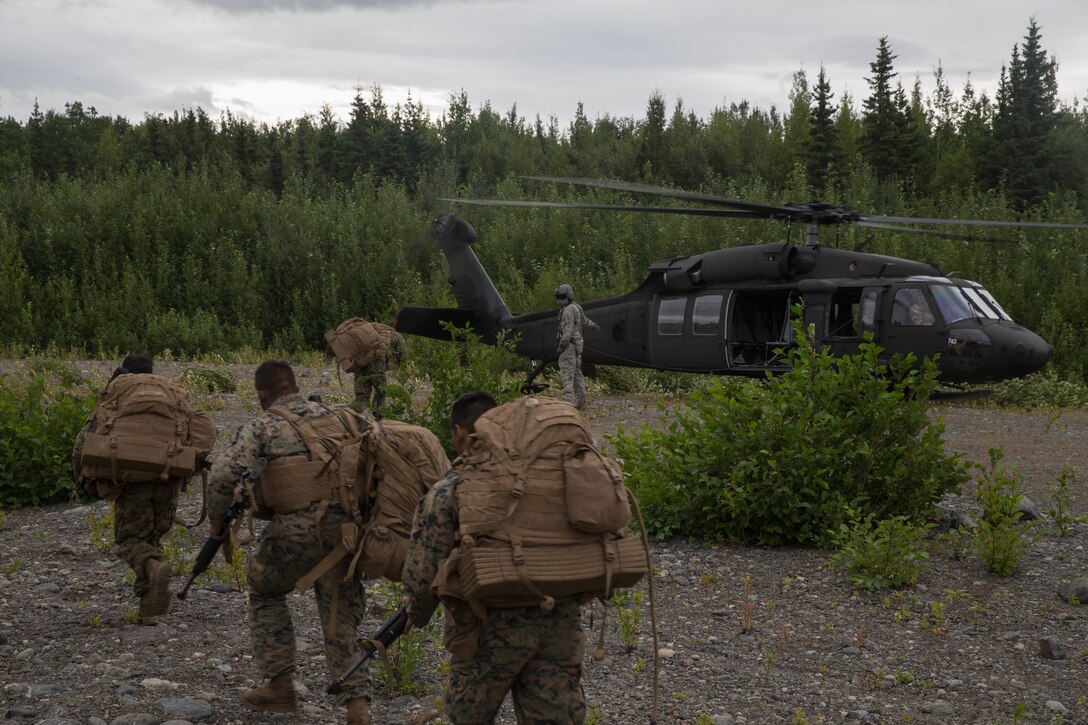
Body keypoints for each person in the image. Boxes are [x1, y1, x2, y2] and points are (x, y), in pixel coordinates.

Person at [402, 391, 587, 724]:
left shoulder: (449, 491)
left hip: (488, 630)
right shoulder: (550, 477)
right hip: (560, 623)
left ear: (460, 433)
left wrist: (416, 614)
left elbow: (422, 574)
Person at [207, 360, 371, 724]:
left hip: (295, 534)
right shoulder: (340, 416)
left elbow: (222, 475)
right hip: (348, 532)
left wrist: (218, 526)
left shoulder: (263, 425)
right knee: (338, 616)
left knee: (264, 588)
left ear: (262, 395)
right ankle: (357, 707)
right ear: (295, 386)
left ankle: (280, 686)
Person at [72, 355, 189, 626]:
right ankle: (148, 612)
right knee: (152, 538)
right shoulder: (171, 391)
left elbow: (84, 439)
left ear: (126, 371)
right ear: (151, 371)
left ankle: (152, 568)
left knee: (129, 540)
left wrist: (83, 479)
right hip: (168, 474)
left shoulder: (117, 391)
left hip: (129, 478)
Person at [555, 284, 599, 410]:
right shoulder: (577, 307)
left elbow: (567, 332)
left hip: (569, 346)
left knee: (567, 373)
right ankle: (581, 401)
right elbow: (585, 321)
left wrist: (561, 345)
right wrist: (594, 325)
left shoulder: (568, 310)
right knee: (577, 374)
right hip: (578, 346)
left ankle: (566, 403)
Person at [353, 318, 407, 415]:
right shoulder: (394, 335)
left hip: (360, 366)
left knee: (361, 397)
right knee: (381, 393)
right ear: (394, 323)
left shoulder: (369, 331)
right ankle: (378, 420)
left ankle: (352, 418)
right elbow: (403, 353)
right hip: (377, 368)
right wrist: (393, 366)